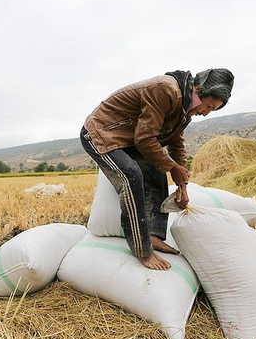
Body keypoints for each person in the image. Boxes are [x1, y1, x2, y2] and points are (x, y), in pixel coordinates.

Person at [80, 68, 234, 270]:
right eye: (209, 106)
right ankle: (141, 249)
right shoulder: (166, 90)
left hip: (129, 139)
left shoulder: (185, 106)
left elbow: (176, 143)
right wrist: (172, 166)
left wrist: (182, 184)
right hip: (101, 134)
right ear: (198, 90)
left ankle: (153, 235)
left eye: (212, 110)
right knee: (131, 176)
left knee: (158, 168)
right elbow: (144, 139)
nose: (206, 113)